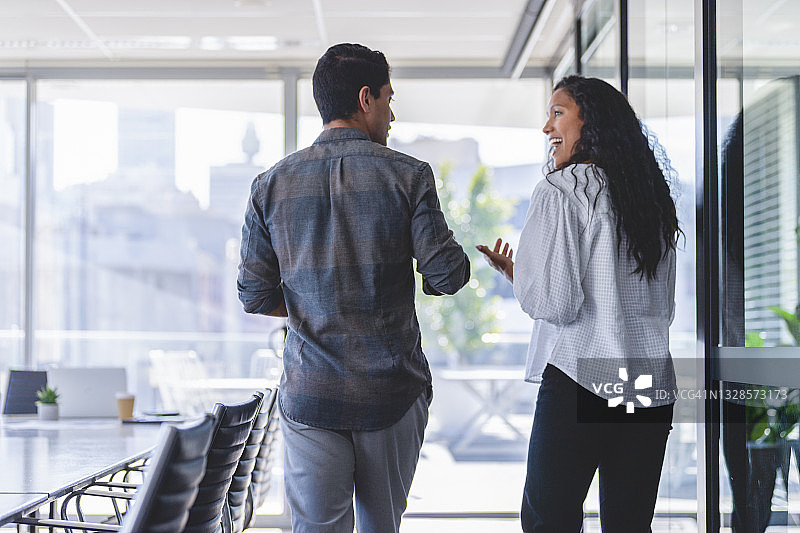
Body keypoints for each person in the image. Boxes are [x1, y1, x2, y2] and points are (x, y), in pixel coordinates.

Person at [237, 43, 470, 533]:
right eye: (388, 98)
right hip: (390, 391)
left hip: (312, 393)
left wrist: (309, 304)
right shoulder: (408, 176)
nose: (392, 113)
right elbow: (447, 275)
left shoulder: (270, 186)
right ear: (366, 98)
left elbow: (254, 295)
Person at [477, 75, 680, 532]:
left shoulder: (563, 189)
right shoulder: (649, 197)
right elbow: (658, 300)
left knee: (549, 520)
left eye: (558, 113)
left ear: (590, 120)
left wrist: (523, 276)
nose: (547, 128)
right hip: (645, 380)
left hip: (581, 375)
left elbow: (556, 303)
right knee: (628, 524)